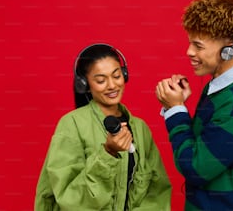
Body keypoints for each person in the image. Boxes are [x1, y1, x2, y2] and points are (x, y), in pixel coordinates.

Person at [155, 0, 233, 211]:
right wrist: (178, 105)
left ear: (229, 48)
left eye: (198, 46)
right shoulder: (220, 88)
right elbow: (205, 146)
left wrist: (176, 111)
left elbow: (196, 168)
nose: (189, 52)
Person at [35, 43, 172, 211]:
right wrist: (108, 154)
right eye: (101, 80)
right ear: (84, 84)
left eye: (117, 76)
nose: (112, 85)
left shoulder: (140, 129)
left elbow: (157, 192)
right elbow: (69, 199)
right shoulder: (71, 124)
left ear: (125, 75)